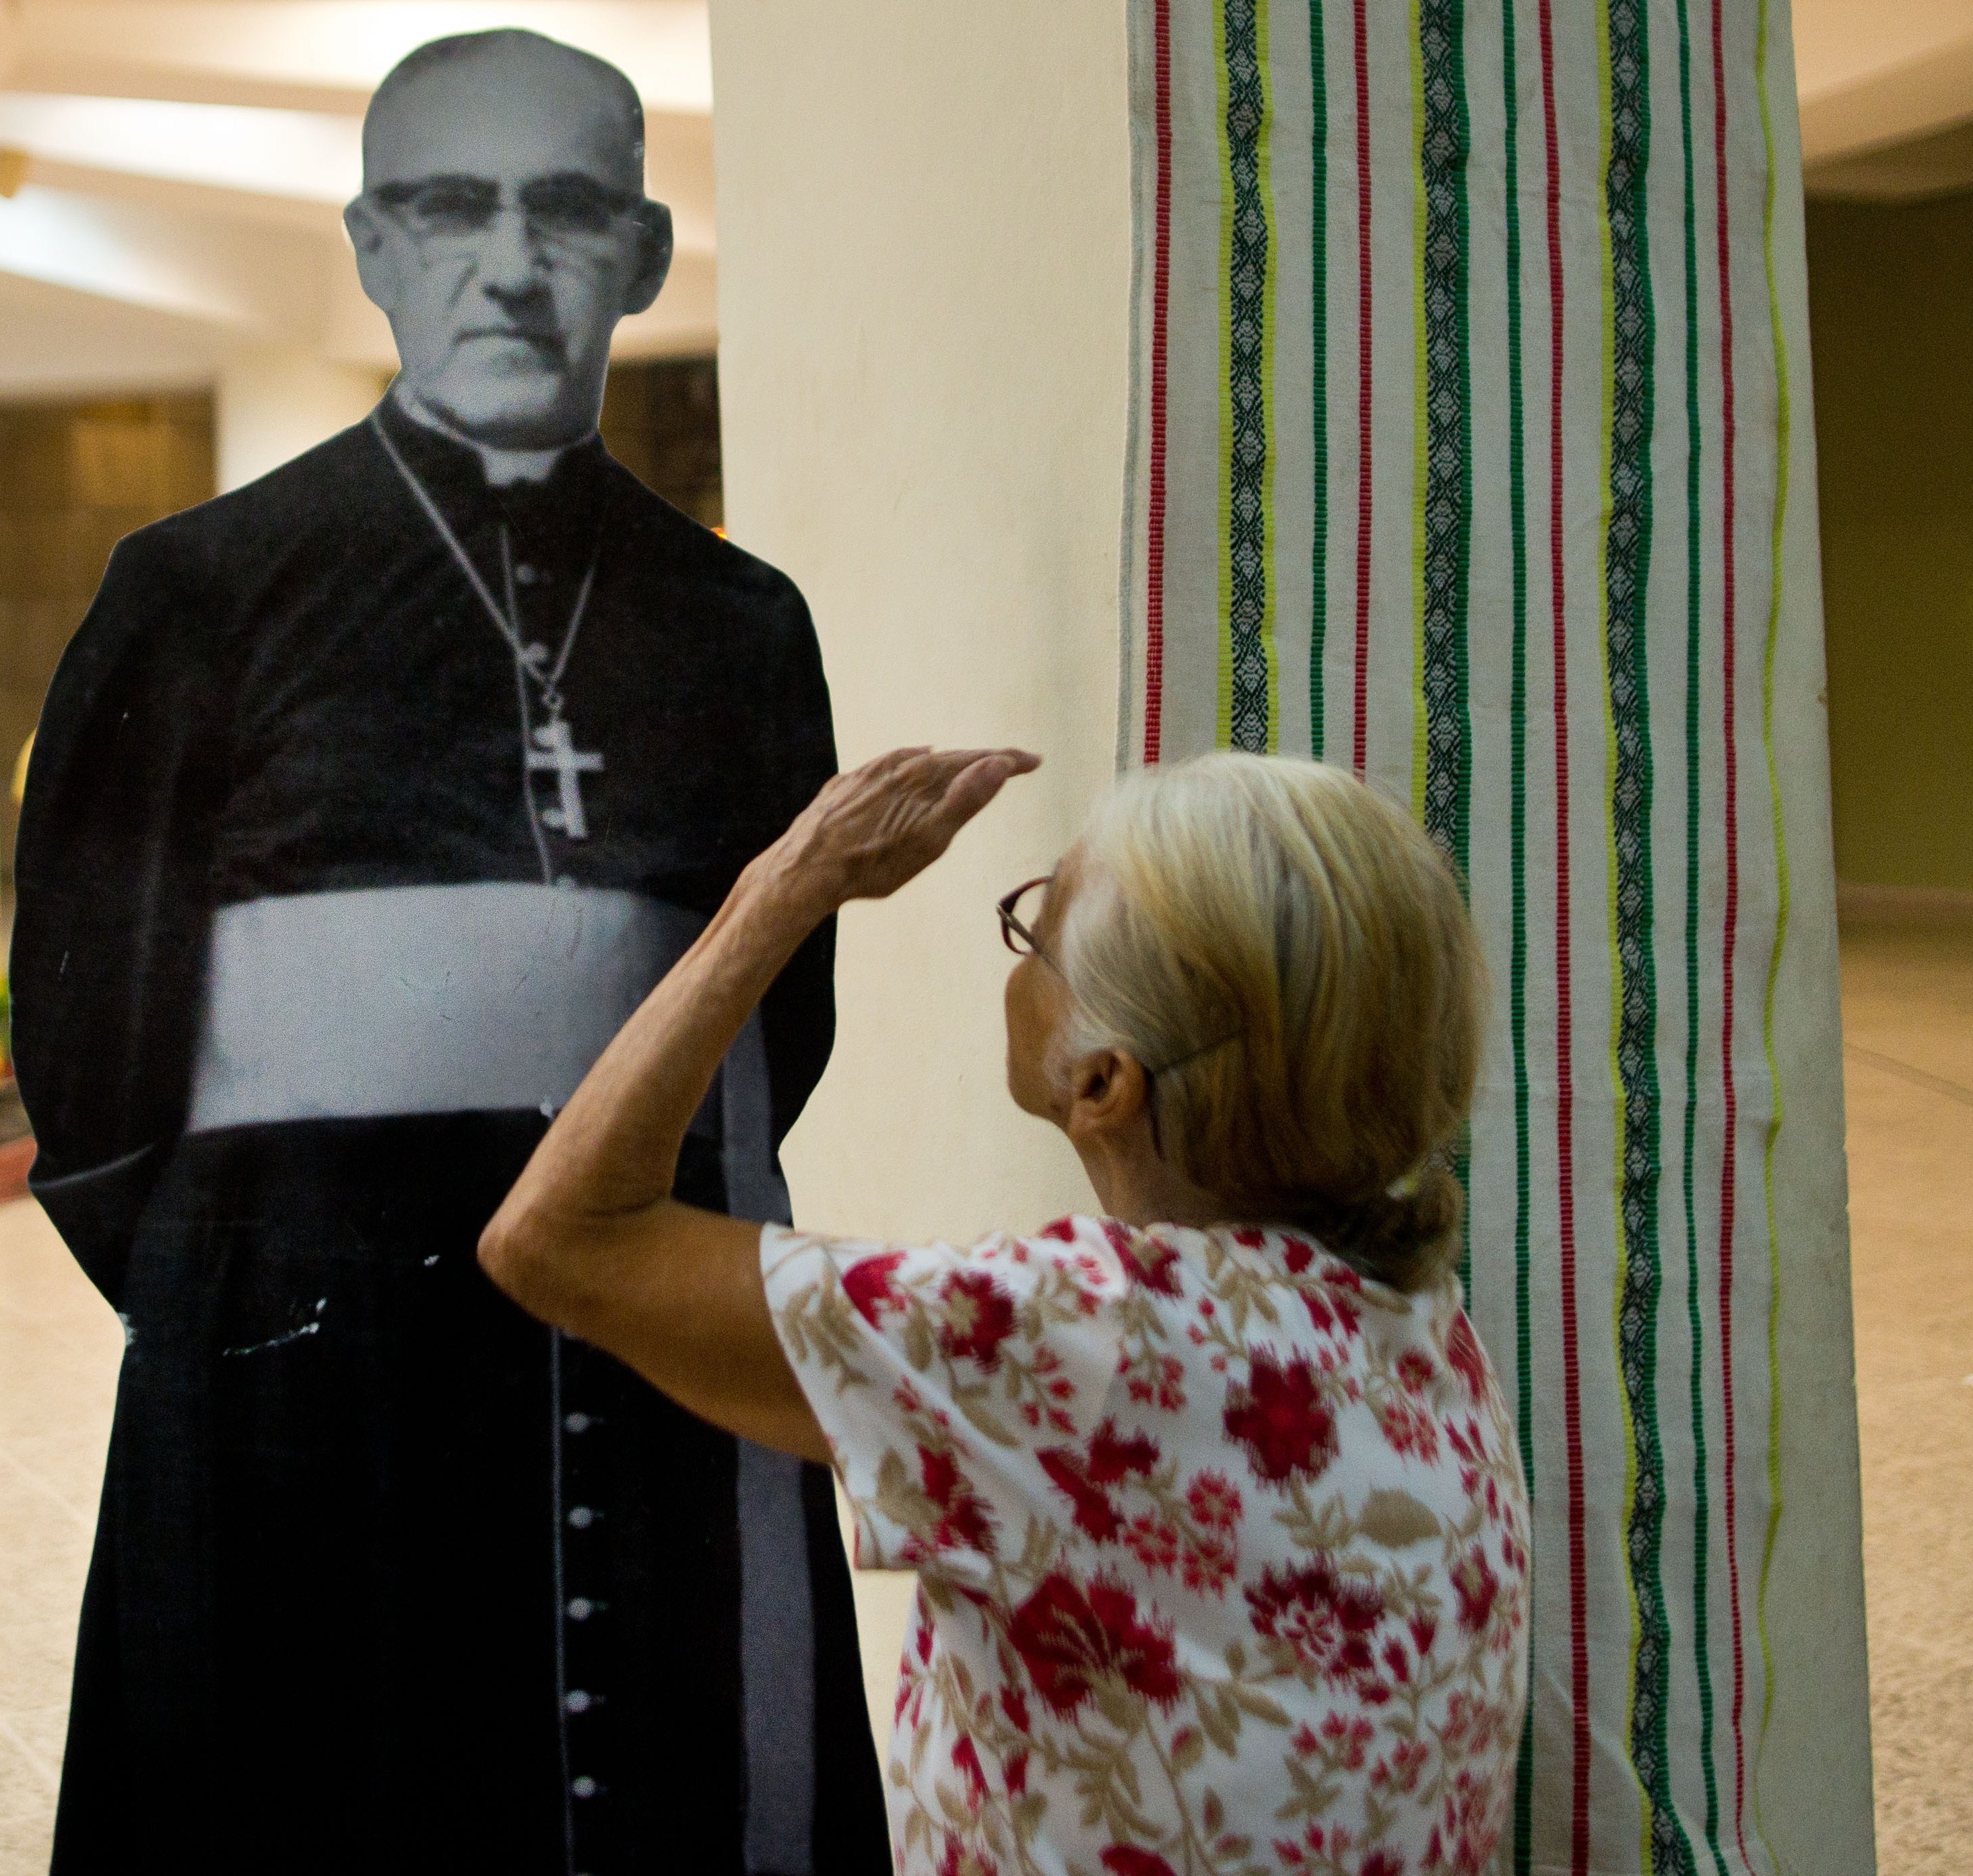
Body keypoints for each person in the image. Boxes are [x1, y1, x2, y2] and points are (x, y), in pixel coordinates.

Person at [11, 31, 886, 1875]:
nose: (508, 262)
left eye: (564, 209)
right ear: (369, 246)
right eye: (447, 206)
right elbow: (91, 1056)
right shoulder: (197, 591)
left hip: (649, 1358)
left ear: (642, 257)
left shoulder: (737, 625)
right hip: (299, 1380)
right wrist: (270, 1305)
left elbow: (768, 1031)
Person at [481, 745, 1533, 1876]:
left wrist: (782, 886)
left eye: (1038, 925)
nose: (1017, 947)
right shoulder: (1423, 1328)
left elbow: (558, 1236)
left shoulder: (1090, 1339)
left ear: (1102, 1082)